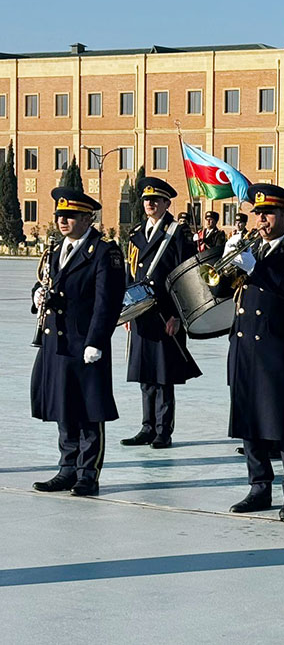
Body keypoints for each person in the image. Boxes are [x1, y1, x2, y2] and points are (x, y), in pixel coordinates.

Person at [211, 183, 284, 518]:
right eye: (258, 213)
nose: (261, 219)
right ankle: (259, 487)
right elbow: (224, 291)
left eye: (268, 213)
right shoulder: (252, 246)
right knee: (249, 421)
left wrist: (255, 268)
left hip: (278, 347)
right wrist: (221, 272)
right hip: (244, 345)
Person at [30, 188, 126, 497]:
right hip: (57, 339)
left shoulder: (103, 252)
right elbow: (47, 280)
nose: (62, 220)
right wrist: (37, 294)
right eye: (59, 215)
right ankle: (66, 468)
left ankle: (88, 474)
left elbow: (106, 302)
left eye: (70, 216)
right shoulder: (57, 249)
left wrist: (96, 340)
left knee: (89, 410)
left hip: (85, 343)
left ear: (87, 218)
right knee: (64, 406)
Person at [122, 178, 202, 449]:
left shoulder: (177, 233)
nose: (150, 204)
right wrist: (126, 310)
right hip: (142, 313)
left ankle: (163, 431)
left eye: (156, 200)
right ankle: (147, 426)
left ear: (167, 203)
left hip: (166, 314)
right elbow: (129, 273)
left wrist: (179, 315)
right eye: (146, 200)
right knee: (145, 374)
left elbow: (189, 279)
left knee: (163, 376)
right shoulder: (136, 232)